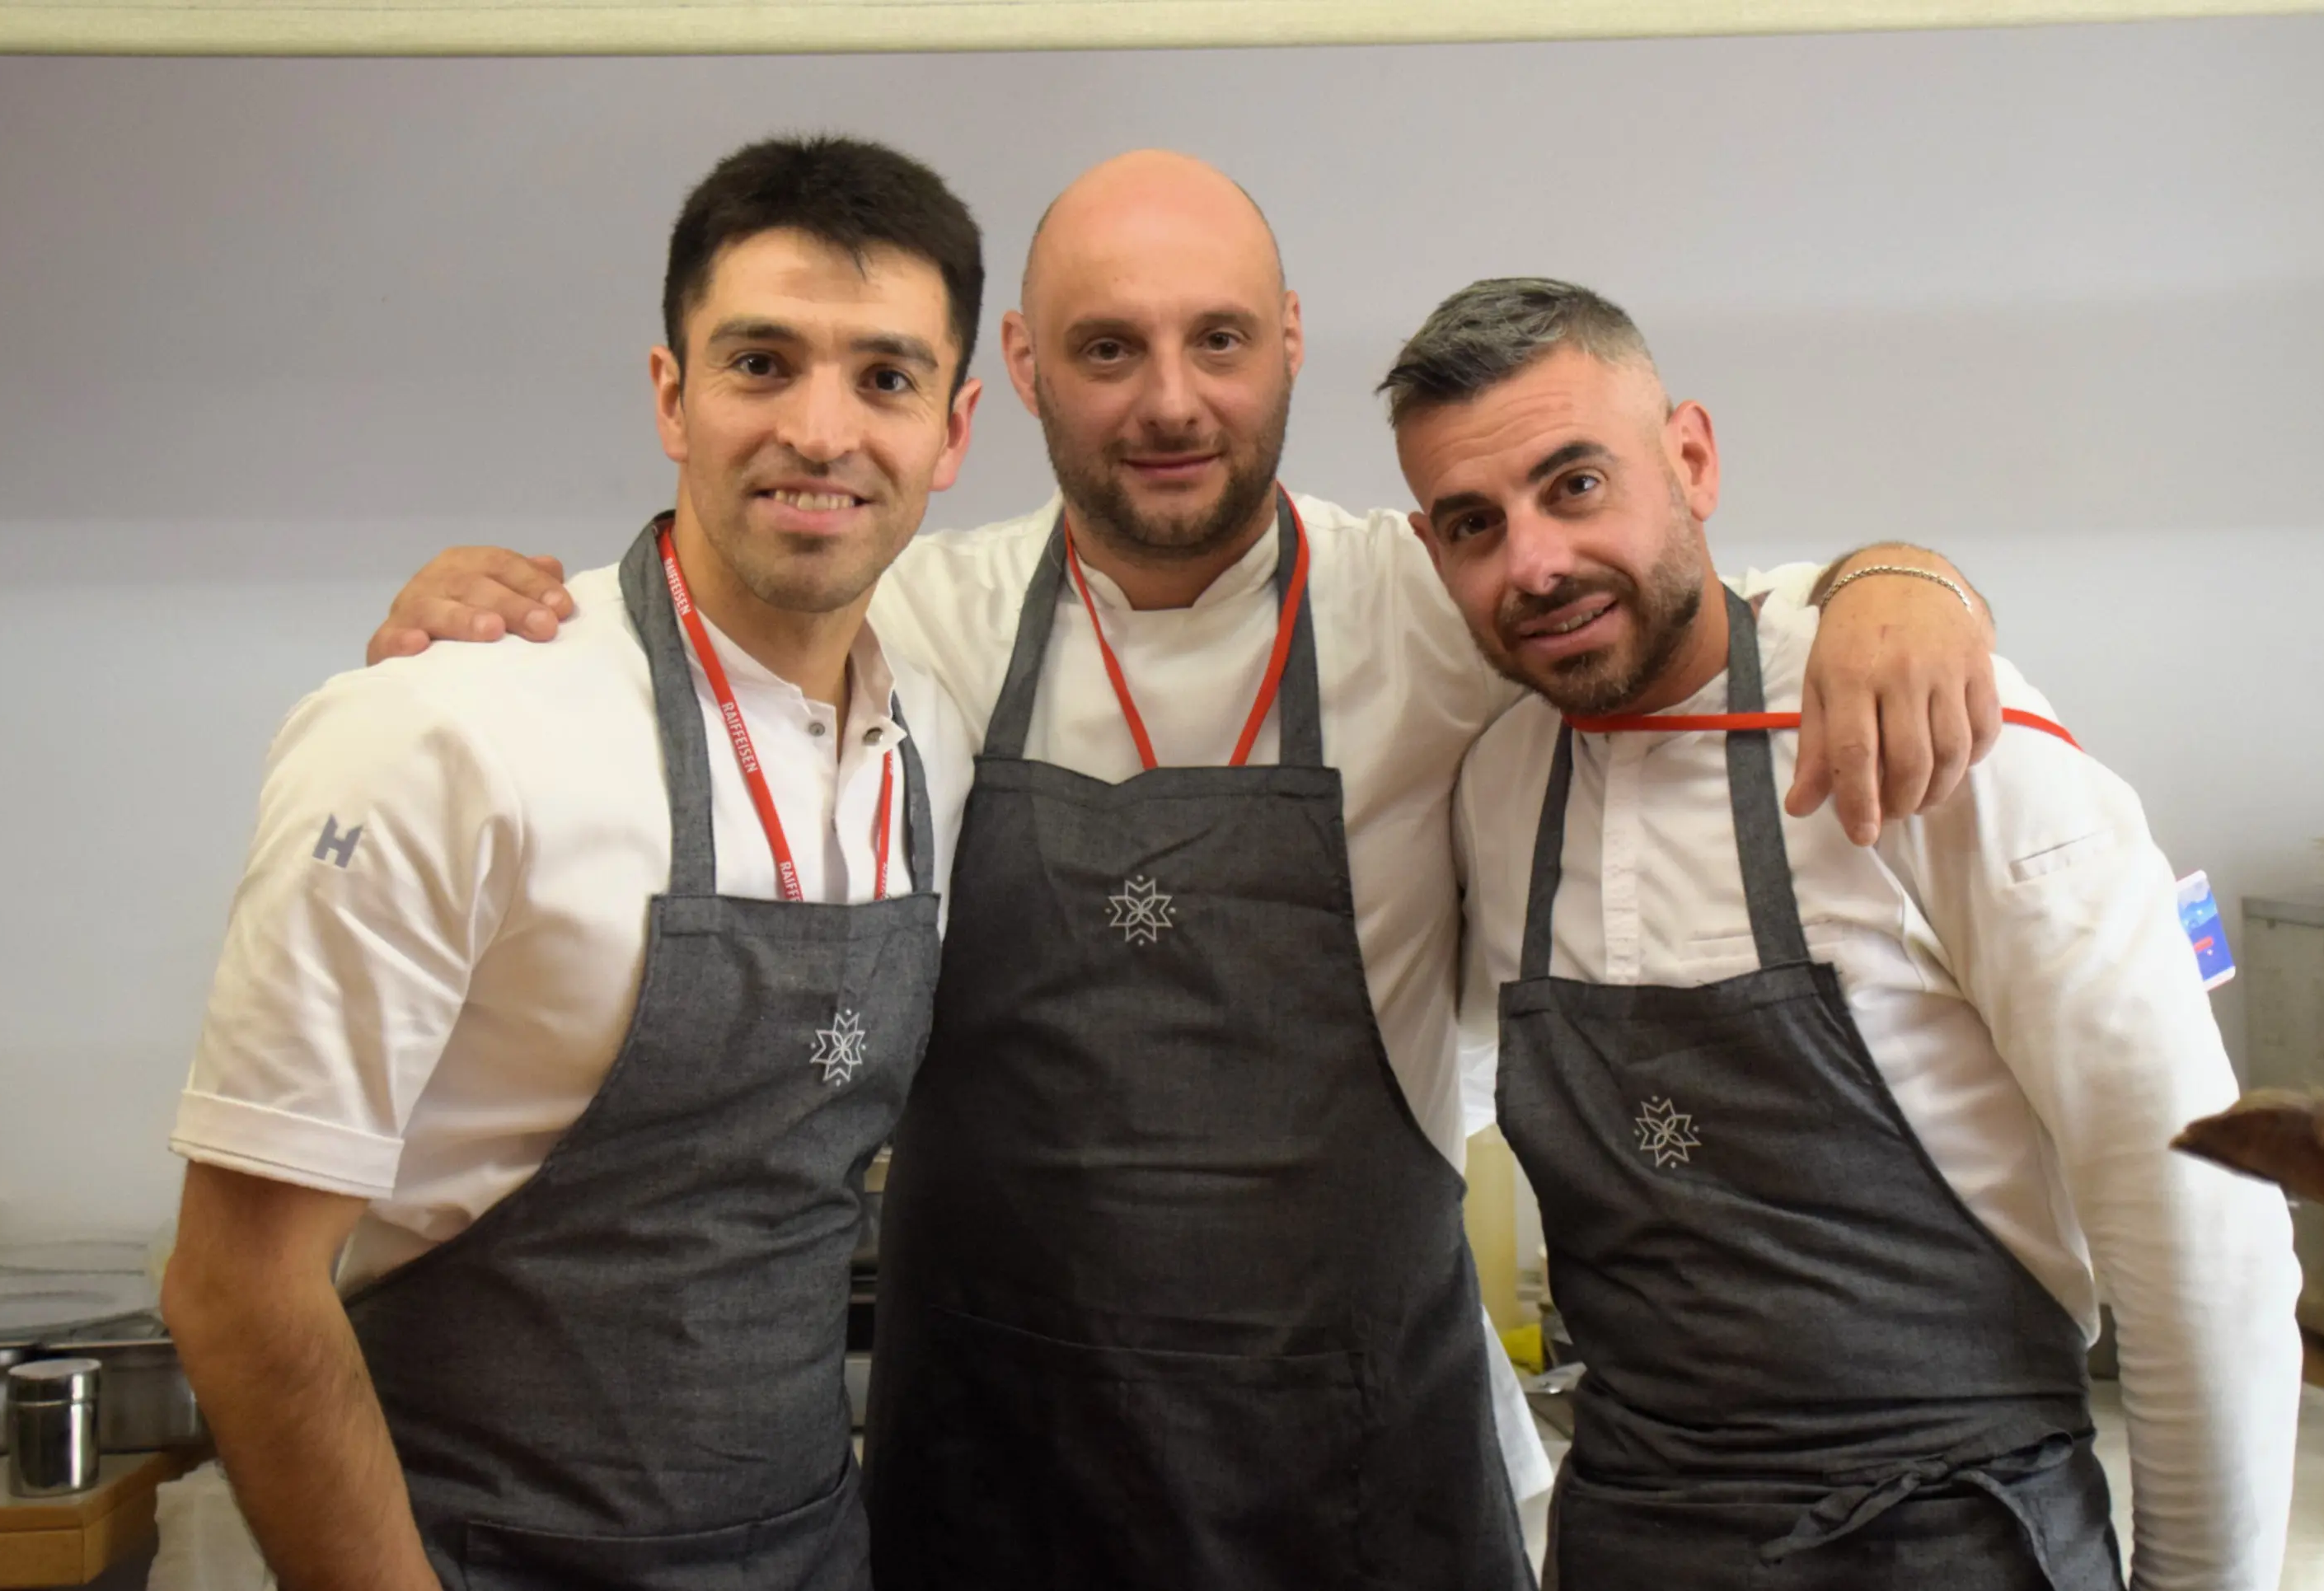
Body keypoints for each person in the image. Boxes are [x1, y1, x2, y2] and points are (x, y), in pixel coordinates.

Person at [367, 150, 2005, 1587]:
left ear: (1287, 341)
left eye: (1218, 339)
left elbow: (1651, 592)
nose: (1170, 399)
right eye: (1106, 349)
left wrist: (1899, 576)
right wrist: (505, 614)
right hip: (991, 1477)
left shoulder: (1426, 602)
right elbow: (700, 609)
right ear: (1014, 373)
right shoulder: (915, 620)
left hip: (1363, 1479)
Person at [159, 137, 985, 1591]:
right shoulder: (447, 728)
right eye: (760, 362)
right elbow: (235, 1289)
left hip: (810, 1550)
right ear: (672, 395)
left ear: (955, 427)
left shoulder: (938, 734)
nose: (821, 428)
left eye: (885, 378)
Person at [1396, 277, 2302, 1589]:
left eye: (1576, 484)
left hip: (1953, 1539)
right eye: (1477, 524)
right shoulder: (1495, 789)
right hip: (1636, 1541)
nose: (1533, 561)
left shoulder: (1944, 735)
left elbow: (2193, 1227)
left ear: (1691, 460)